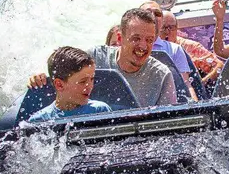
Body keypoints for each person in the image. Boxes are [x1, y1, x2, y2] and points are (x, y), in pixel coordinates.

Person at [29, 8, 176, 108]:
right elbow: (61, 79)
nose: (143, 46)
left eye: (149, 40)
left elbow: (169, 125)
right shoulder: (95, 58)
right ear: (120, 38)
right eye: (136, 39)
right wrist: (41, 78)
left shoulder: (161, 75)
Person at [27, 47, 113, 122]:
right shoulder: (40, 121)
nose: (90, 86)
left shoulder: (101, 111)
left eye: (92, 79)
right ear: (59, 85)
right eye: (82, 82)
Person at [138, 2, 193, 82]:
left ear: (162, 20)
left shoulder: (175, 49)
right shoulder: (129, 47)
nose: (153, 16)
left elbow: (185, 85)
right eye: (148, 13)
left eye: (157, 14)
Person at [160, 11, 221, 81]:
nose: (167, 32)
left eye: (171, 27)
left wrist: (203, 83)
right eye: (163, 27)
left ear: (177, 28)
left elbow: (219, 66)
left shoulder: (191, 47)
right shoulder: (152, 48)